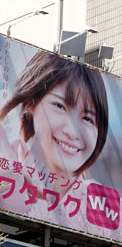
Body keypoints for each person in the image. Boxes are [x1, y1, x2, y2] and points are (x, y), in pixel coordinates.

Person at [0, 50, 110, 208]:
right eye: (60, 106)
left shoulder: (110, 214)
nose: (72, 132)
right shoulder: (6, 175)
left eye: (87, 118)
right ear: (32, 103)